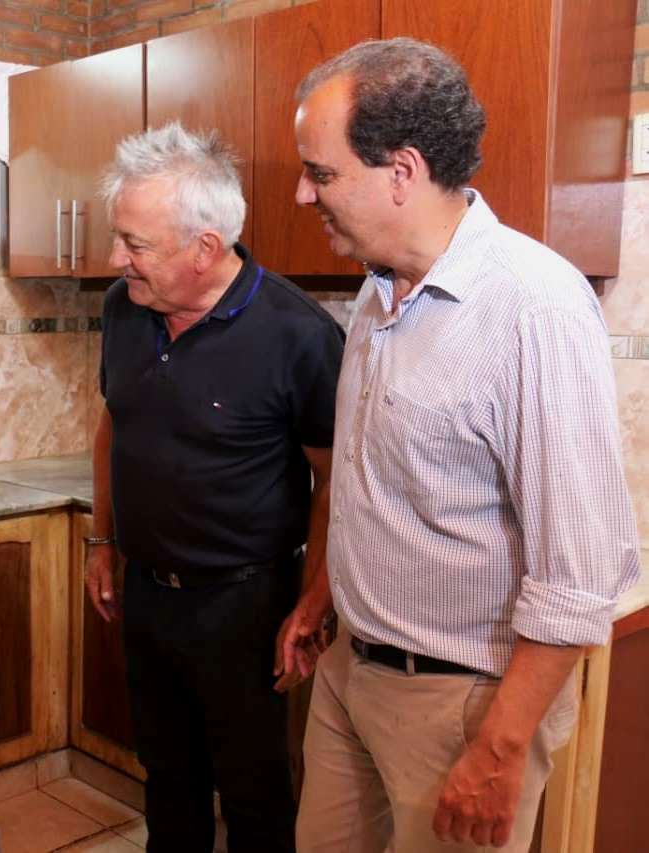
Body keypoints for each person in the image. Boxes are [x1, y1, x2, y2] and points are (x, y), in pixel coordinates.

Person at [290, 38, 642, 853]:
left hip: (460, 703)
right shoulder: (379, 292)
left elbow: (580, 573)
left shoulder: (533, 306)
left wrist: (499, 745)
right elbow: (370, 475)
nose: (305, 195)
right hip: (350, 673)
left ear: (402, 172)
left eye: (323, 171)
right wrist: (322, 597)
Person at [86, 121, 345, 853]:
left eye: (133, 244)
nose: (115, 259)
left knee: (255, 790)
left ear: (205, 248)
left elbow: (336, 478)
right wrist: (102, 540)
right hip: (147, 594)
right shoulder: (122, 310)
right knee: (166, 778)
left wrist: (313, 600)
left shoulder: (299, 334)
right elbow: (114, 425)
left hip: (247, 604)